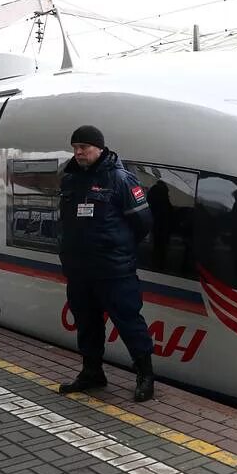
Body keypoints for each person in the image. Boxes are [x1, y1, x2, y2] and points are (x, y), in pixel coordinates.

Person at [57, 125, 157, 401]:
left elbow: (143, 223)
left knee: (128, 321)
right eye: (75, 148)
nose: (78, 153)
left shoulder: (120, 179)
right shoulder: (70, 179)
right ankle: (92, 373)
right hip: (79, 270)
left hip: (113, 270)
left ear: (99, 148)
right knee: (87, 322)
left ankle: (145, 375)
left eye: (84, 148)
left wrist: (116, 247)